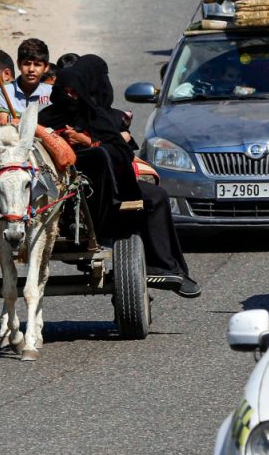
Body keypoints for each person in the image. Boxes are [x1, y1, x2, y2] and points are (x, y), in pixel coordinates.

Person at [38, 55, 198, 297]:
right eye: (65, 91)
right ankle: (166, 265)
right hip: (62, 196)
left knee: (156, 196)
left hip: (106, 189)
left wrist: (88, 142)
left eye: (74, 91)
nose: (69, 96)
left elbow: (122, 154)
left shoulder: (98, 117)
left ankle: (167, 268)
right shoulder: (46, 118)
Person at [0, 37, 53, 117]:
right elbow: (5, 124)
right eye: (27, 64)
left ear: (46, 67)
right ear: (18, 64)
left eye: (37, 64)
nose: (31, 69)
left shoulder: (52, 93)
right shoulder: (2, 91)